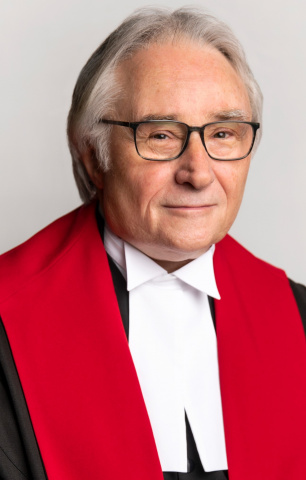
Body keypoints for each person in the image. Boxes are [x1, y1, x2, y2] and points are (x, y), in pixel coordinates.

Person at [0, 7, 305, 480]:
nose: (198, 173)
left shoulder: (298, 314)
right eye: (161, 135)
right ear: (93, 156)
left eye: (223, 134)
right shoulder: (7, 319)